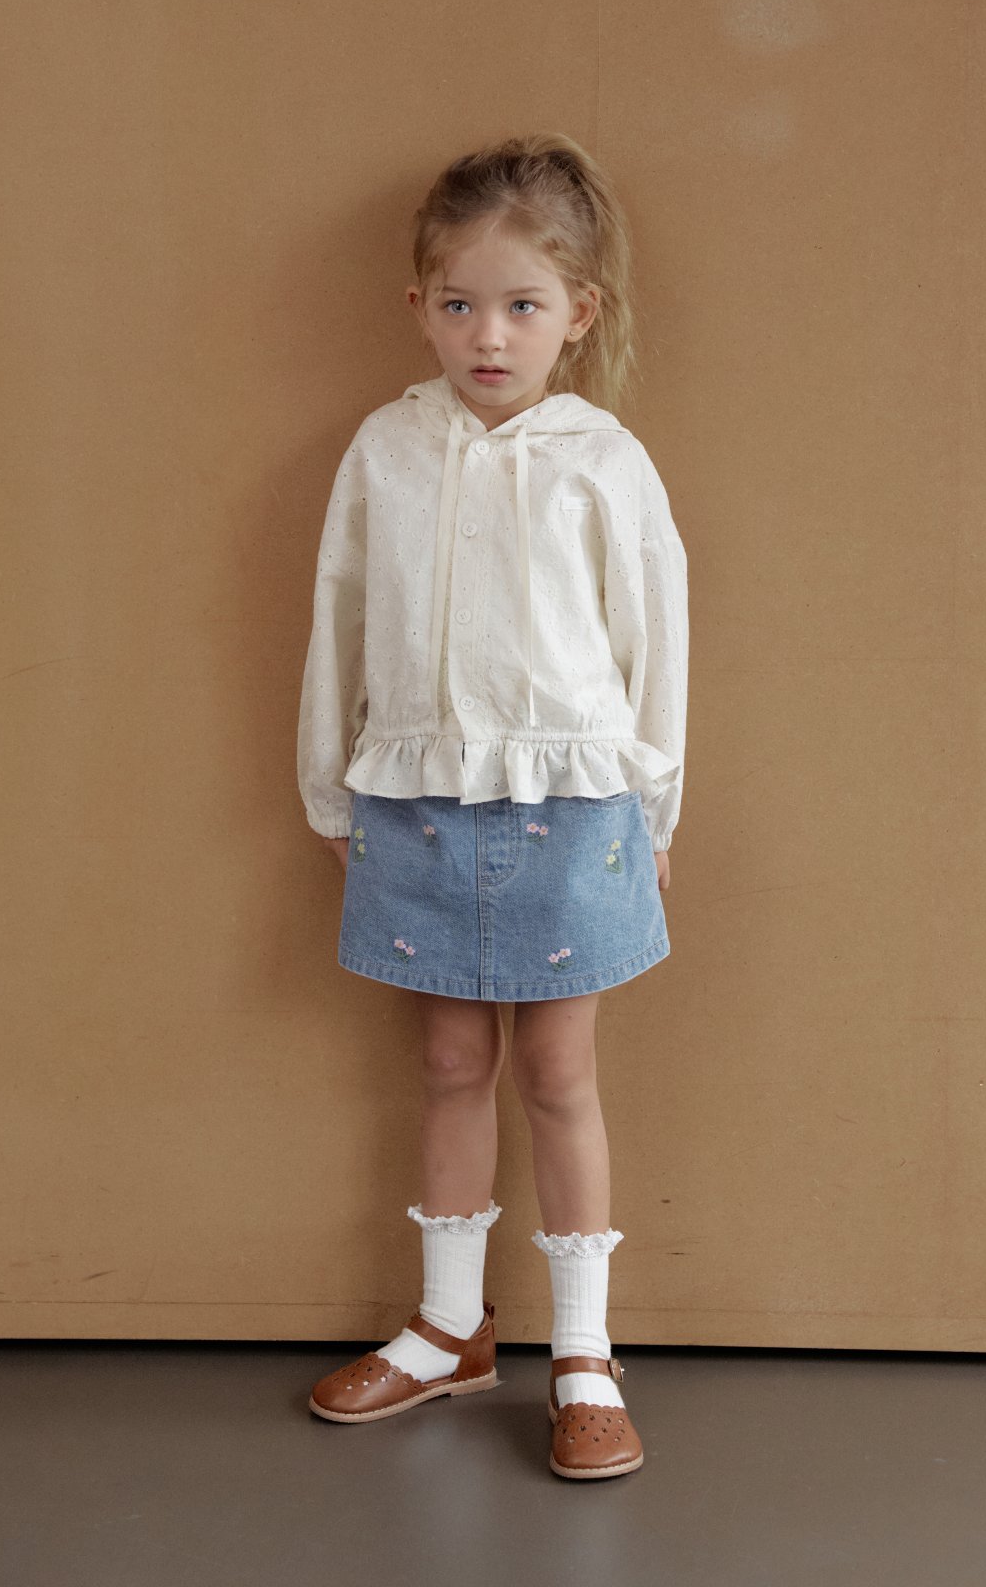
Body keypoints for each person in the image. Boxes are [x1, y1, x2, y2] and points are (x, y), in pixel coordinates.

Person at [296, 132, 688, 1480]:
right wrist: (329, 784)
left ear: (579, 314)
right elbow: (340, 618)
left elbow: (653, 645)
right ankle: (450, 1326)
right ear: (421, 306)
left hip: (573, 808)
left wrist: (655, 812)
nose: (489, 334)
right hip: (416, 800)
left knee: (559, 1076)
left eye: (523, 305)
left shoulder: (603, 460)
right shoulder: (387, 450)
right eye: (461, 304)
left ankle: (583, 1352)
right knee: (452, 1065)